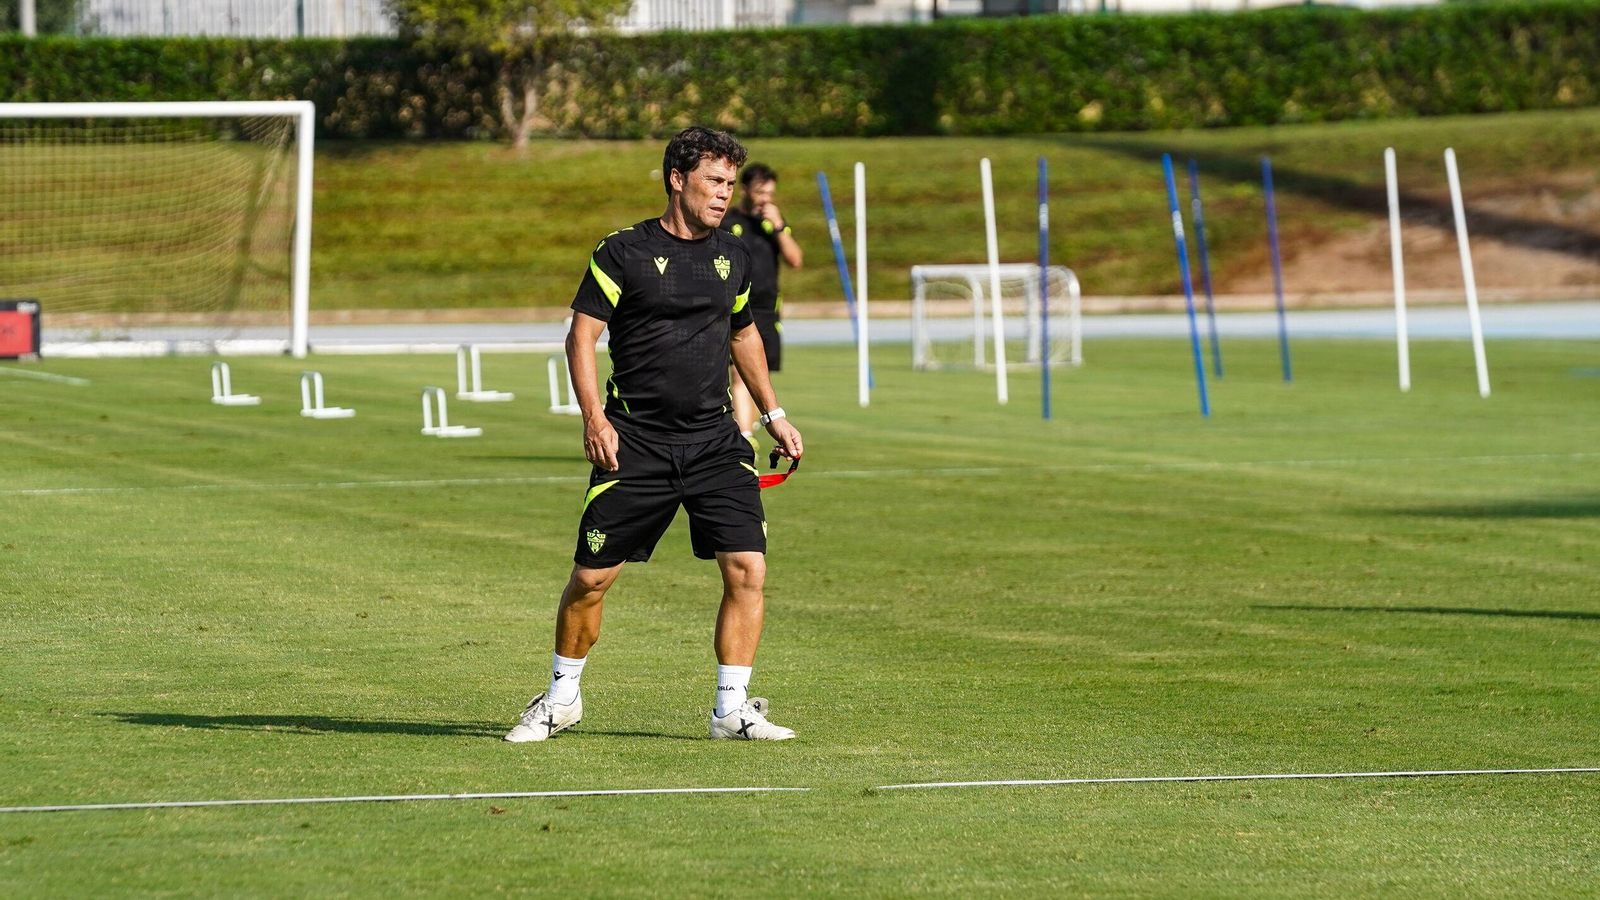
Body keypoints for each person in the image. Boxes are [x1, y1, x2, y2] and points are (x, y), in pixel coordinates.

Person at [505, 126, 804, 744]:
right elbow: (581, 336)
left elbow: (743, 333)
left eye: (729, 183)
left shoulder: (735, 255)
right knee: (591, 579)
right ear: (677, 179)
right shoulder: (623, 251)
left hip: (715, 441)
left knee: (747, 568)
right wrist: (594, 418)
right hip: (635, 441)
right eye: (713, 181)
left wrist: (773, 414)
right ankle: (561, 698)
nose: (723, 194)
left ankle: (731, 708)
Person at [719, 163, 802, 441]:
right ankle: (744, 438)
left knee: (759, 377)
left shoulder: (772, 224)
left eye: (770, 193)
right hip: (736, 308)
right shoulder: (728, 222)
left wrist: (779, 227)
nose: (765, 198)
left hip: (767, 312)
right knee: (739, 374)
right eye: (760, 192)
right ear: (744, 190)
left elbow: (795, 260)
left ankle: (746, 430)